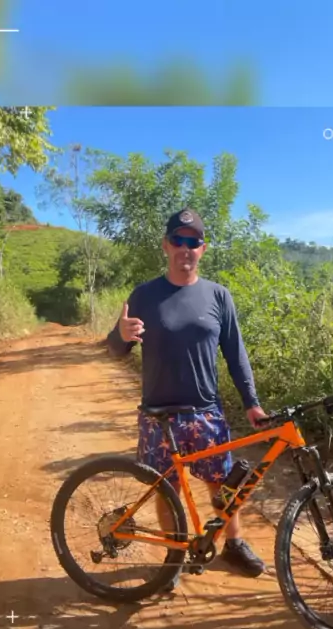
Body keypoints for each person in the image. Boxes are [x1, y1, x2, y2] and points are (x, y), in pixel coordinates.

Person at [107, 208, 269, 587]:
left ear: (202, 249)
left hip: (205, 412)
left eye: (193, 241)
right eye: (178, 240)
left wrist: (251, 402)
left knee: (222, 483)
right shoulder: (144, 295)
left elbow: (236, 355)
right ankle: (174, 555)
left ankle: (234, 543)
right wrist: (120, 335)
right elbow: (116, 349)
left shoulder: (218, 296)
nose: (185, 248)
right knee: (167, 490)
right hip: (158, 415)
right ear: (166, 245)